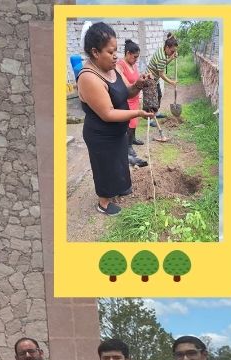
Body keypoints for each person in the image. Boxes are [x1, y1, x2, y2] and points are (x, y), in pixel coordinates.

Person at [76, 23, 154, 216]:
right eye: (110, 52)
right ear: (95, 52)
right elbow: (108, 113)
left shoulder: (113, 68)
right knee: (105, 167)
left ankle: (118, 189)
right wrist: (138, 113)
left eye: (116, 51)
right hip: (101, 135)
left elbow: (126, 92)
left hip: (117, 132)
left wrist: (139, 84)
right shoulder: (89, 77)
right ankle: (103, 202)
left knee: (118, 162)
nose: (115, 56)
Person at [116, 40, 148, 168]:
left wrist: (143, 78)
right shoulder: (120, 65)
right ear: (128, 53)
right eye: (135, 57)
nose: (136, 60)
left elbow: (136, 78)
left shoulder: (132, 64)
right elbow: (126, 85)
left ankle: (133, 139)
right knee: (129, 123)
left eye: (137, 57)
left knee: (134, 122)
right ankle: (128, 146)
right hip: (127, 98)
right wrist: (137, 85)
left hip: (135, 97)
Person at [142, 33, 179, 118]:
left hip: (155, 79)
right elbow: (161, 74)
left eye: (174, 51)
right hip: (149, 79)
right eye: (172, 51)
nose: (173, 52)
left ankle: (156, 113)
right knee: (151, 100)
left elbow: (163, 64)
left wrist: (172, 58)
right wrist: (171, 82)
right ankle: (149, 118)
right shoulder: (162, 57)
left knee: (159, 95)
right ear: (167, 47)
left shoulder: (163, 50)